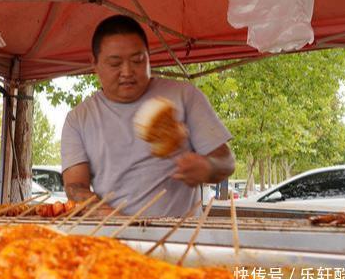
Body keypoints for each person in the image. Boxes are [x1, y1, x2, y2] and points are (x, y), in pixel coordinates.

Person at [60, 15, 235, 217]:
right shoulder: (79, 118)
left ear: (149, 57)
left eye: (137, 60)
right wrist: (105, 214)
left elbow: (227, 161)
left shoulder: (184, 96)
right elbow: (74, 185)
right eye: (115, 63)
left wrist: (208, 167)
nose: (127, 71)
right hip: (113, 236)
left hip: (183, 237)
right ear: (95, 64)